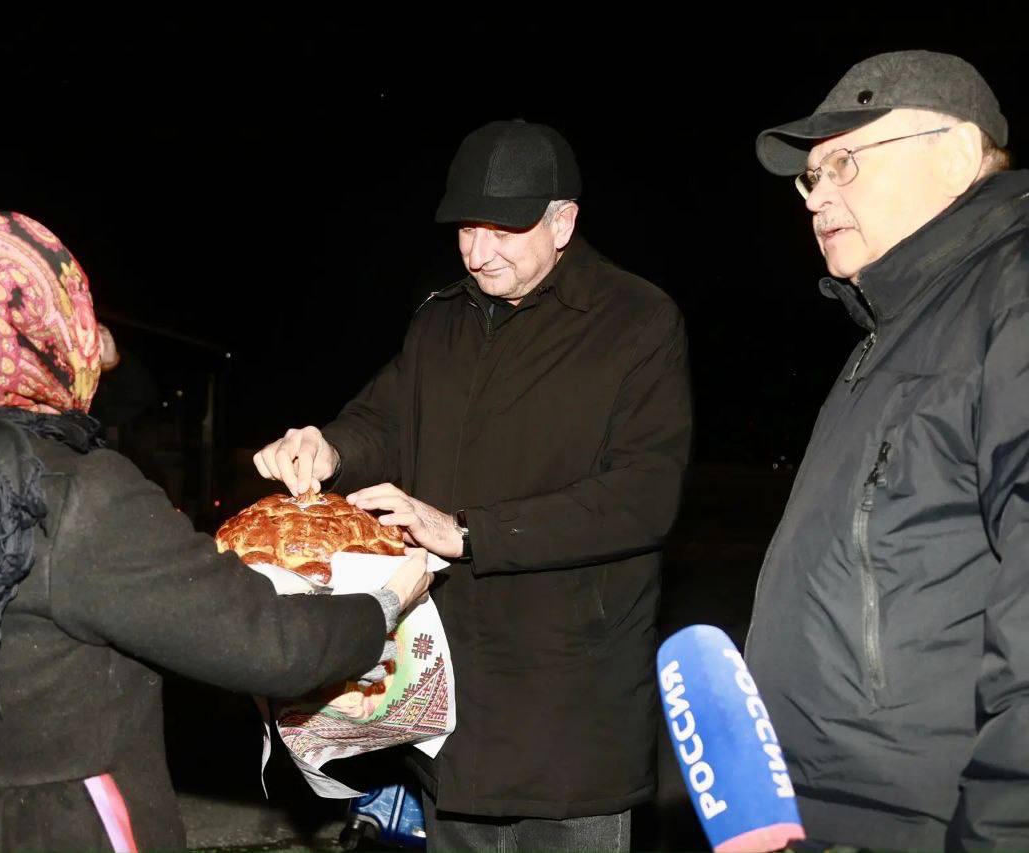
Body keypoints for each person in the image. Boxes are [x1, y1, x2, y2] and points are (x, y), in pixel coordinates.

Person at [0, 211, 429, 851]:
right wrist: (386, 601)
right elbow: (270, 643)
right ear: (57, 330)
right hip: (45, 824)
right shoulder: (73, 489)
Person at [256, 120, 692, 852]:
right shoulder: (442, 319)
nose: (477, 252)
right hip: (454, 701)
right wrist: (329, 447)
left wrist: (467, 532)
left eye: (503, 231)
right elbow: (384, 421)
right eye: (466, 228)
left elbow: (644, 496)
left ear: (563, 223)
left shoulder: (636, 322)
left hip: (569, 704)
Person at [748, 50, 1029, 849]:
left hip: (928, 821)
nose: (817, 195)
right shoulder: (893, 328)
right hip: (822, 812)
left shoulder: (1011, 293)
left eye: (845, 162)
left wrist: (1000, 829)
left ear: (956, 154)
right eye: (811, 177)